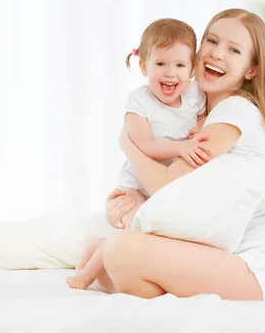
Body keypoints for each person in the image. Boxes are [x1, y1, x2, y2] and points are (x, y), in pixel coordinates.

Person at [100, 8, 265, 302]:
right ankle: (106, 253)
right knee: (124, 267)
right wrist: (130, 204)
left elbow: (166, 186)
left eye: (234, 49)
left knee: (121, 251)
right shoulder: (194, 113)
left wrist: (128, 144)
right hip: (219, 254)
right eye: (211, 41)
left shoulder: (235, 111)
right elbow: (178, 200)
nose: (217, 54)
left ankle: (106, 251)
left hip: (260, 268)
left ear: (251, 70)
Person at [67, 18, 208, 290]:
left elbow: (202, 125)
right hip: (136, 185)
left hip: (169, 186)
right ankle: (88, 271)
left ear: (191, 69)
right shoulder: (139, 100)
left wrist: (199, 129)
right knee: (139, 228)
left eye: (179, 65)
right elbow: (143, 144)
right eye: (160, 64)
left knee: (157, 240)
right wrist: (182, 147)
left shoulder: (196, 95)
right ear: (144, 66)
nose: (170, 73)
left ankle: (96, 246)